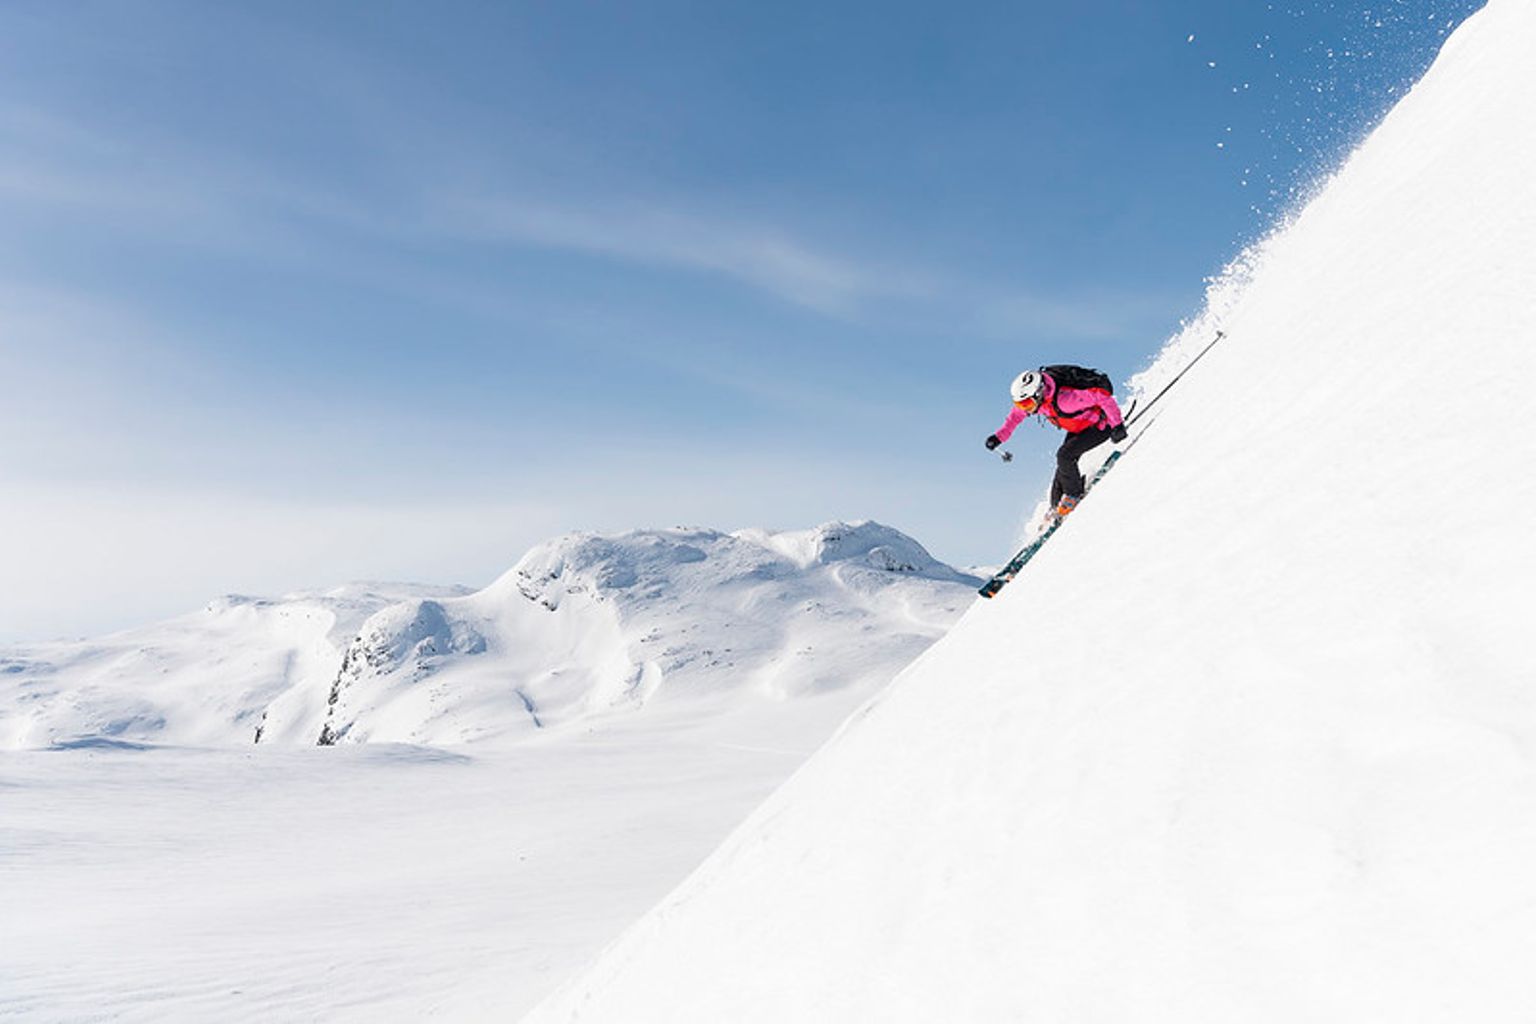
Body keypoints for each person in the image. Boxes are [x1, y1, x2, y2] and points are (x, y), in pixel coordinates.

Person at [985, 368, 1128, 519]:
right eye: (1020, 404)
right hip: (1079, 427)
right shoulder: (1038, 403)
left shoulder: (1065, 399)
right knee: (1063, 467)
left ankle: (1073, 495)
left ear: (1038, 393)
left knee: (1064, 456)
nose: (1024, 408)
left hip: (1100, 426)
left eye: (1026, 403)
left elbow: (1101, 397)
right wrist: (998, 437)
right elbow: (1014, 418)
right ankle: (1055, 506)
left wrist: (1117, 425)